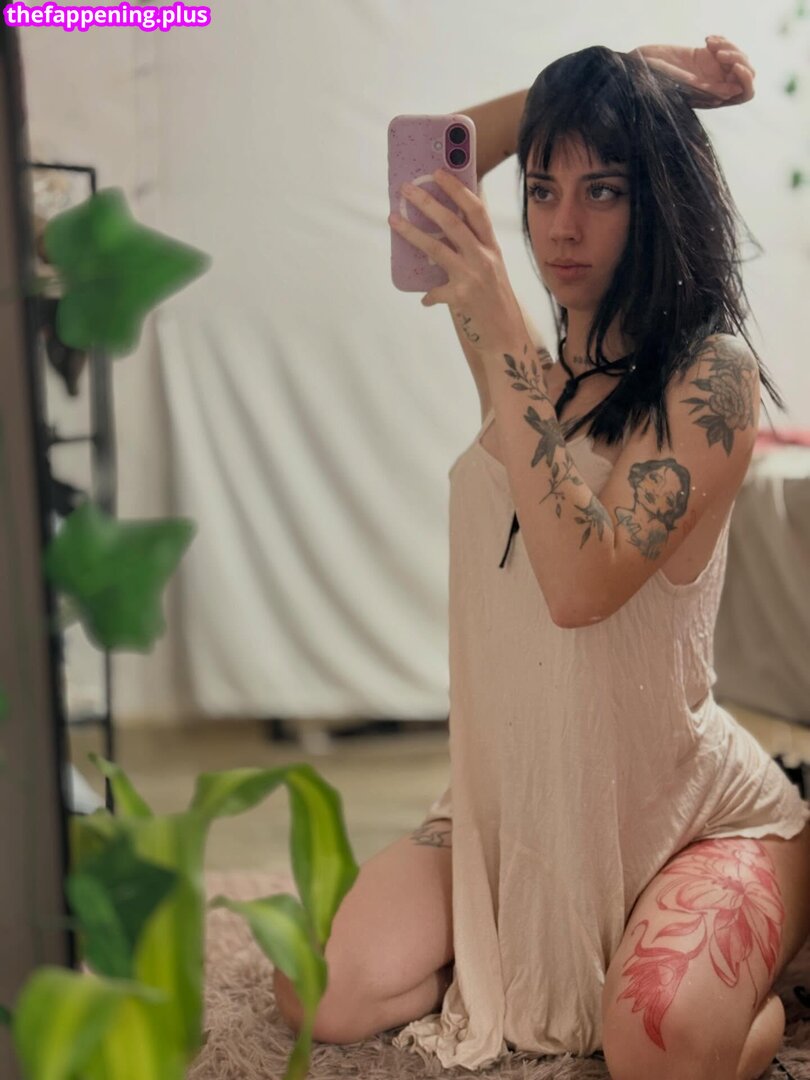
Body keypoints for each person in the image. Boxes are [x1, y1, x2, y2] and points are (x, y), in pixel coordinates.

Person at [274, 38, 810, 1080]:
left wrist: (504, 324)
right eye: (542, 187)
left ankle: (761, 975)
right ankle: (529, 954)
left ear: (657, 199)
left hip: (686, 814)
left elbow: (579, 583)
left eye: (603, 189)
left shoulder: (712, 377)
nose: (561, 226)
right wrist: (614, 76)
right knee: (319, 991)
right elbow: (427, 163)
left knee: (659, 1053)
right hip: (517, 804)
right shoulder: (527, 362)